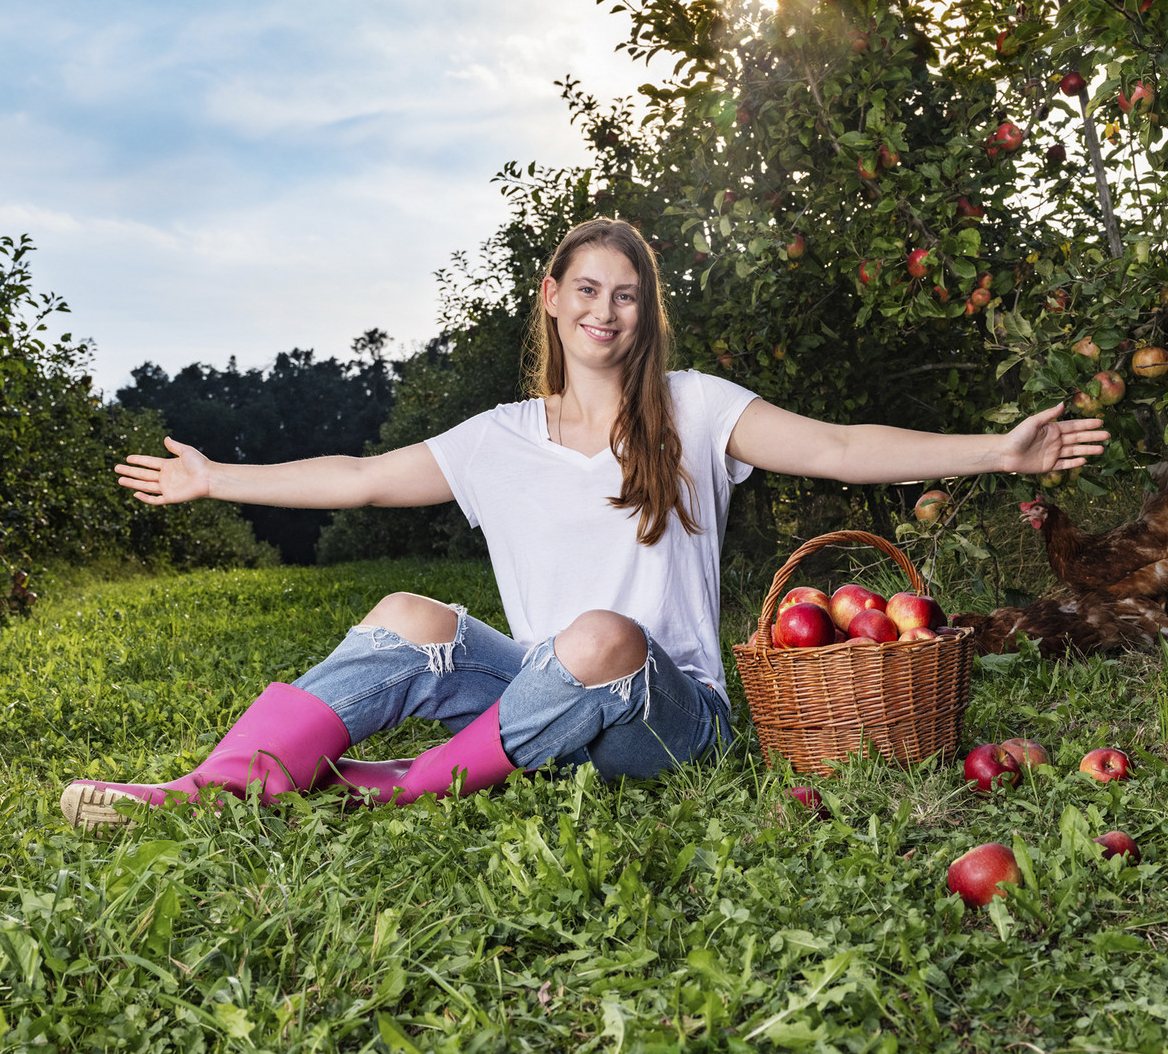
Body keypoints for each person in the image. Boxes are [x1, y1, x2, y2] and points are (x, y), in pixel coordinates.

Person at [61, 218, 1106, 828]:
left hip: (673, 709)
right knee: (407, 610)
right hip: (536, 680)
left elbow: (837, 446)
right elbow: (365, 476)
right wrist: (218, 477)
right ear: (553, 298)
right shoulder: (497, 439)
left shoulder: (695, 409)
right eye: (590, 290)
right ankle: (205, 792)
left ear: (646, 315)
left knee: (601, 633)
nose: (609, 311)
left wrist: (993, 450)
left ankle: (389, 793)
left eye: (631, 297)